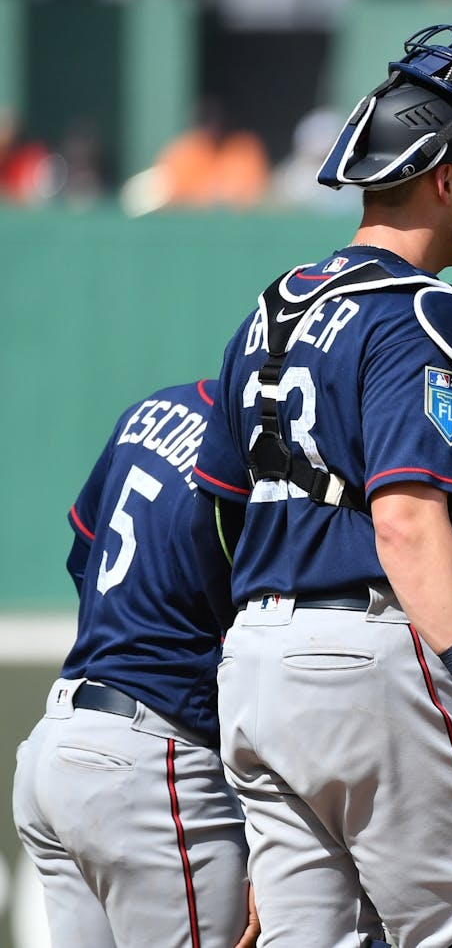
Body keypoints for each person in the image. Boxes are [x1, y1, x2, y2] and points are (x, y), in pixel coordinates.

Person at [190, 24, 452, 947]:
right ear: (442, 176)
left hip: (253, 668)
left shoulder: (273, 304)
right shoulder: (430, 312)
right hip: (368, 660)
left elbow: (225, 506)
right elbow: (406, 520)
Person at [13, 379, 258, 948]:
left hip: (57, 742)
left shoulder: (155, 408)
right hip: (148, 764)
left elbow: (83, 552)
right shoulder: (258, 448)